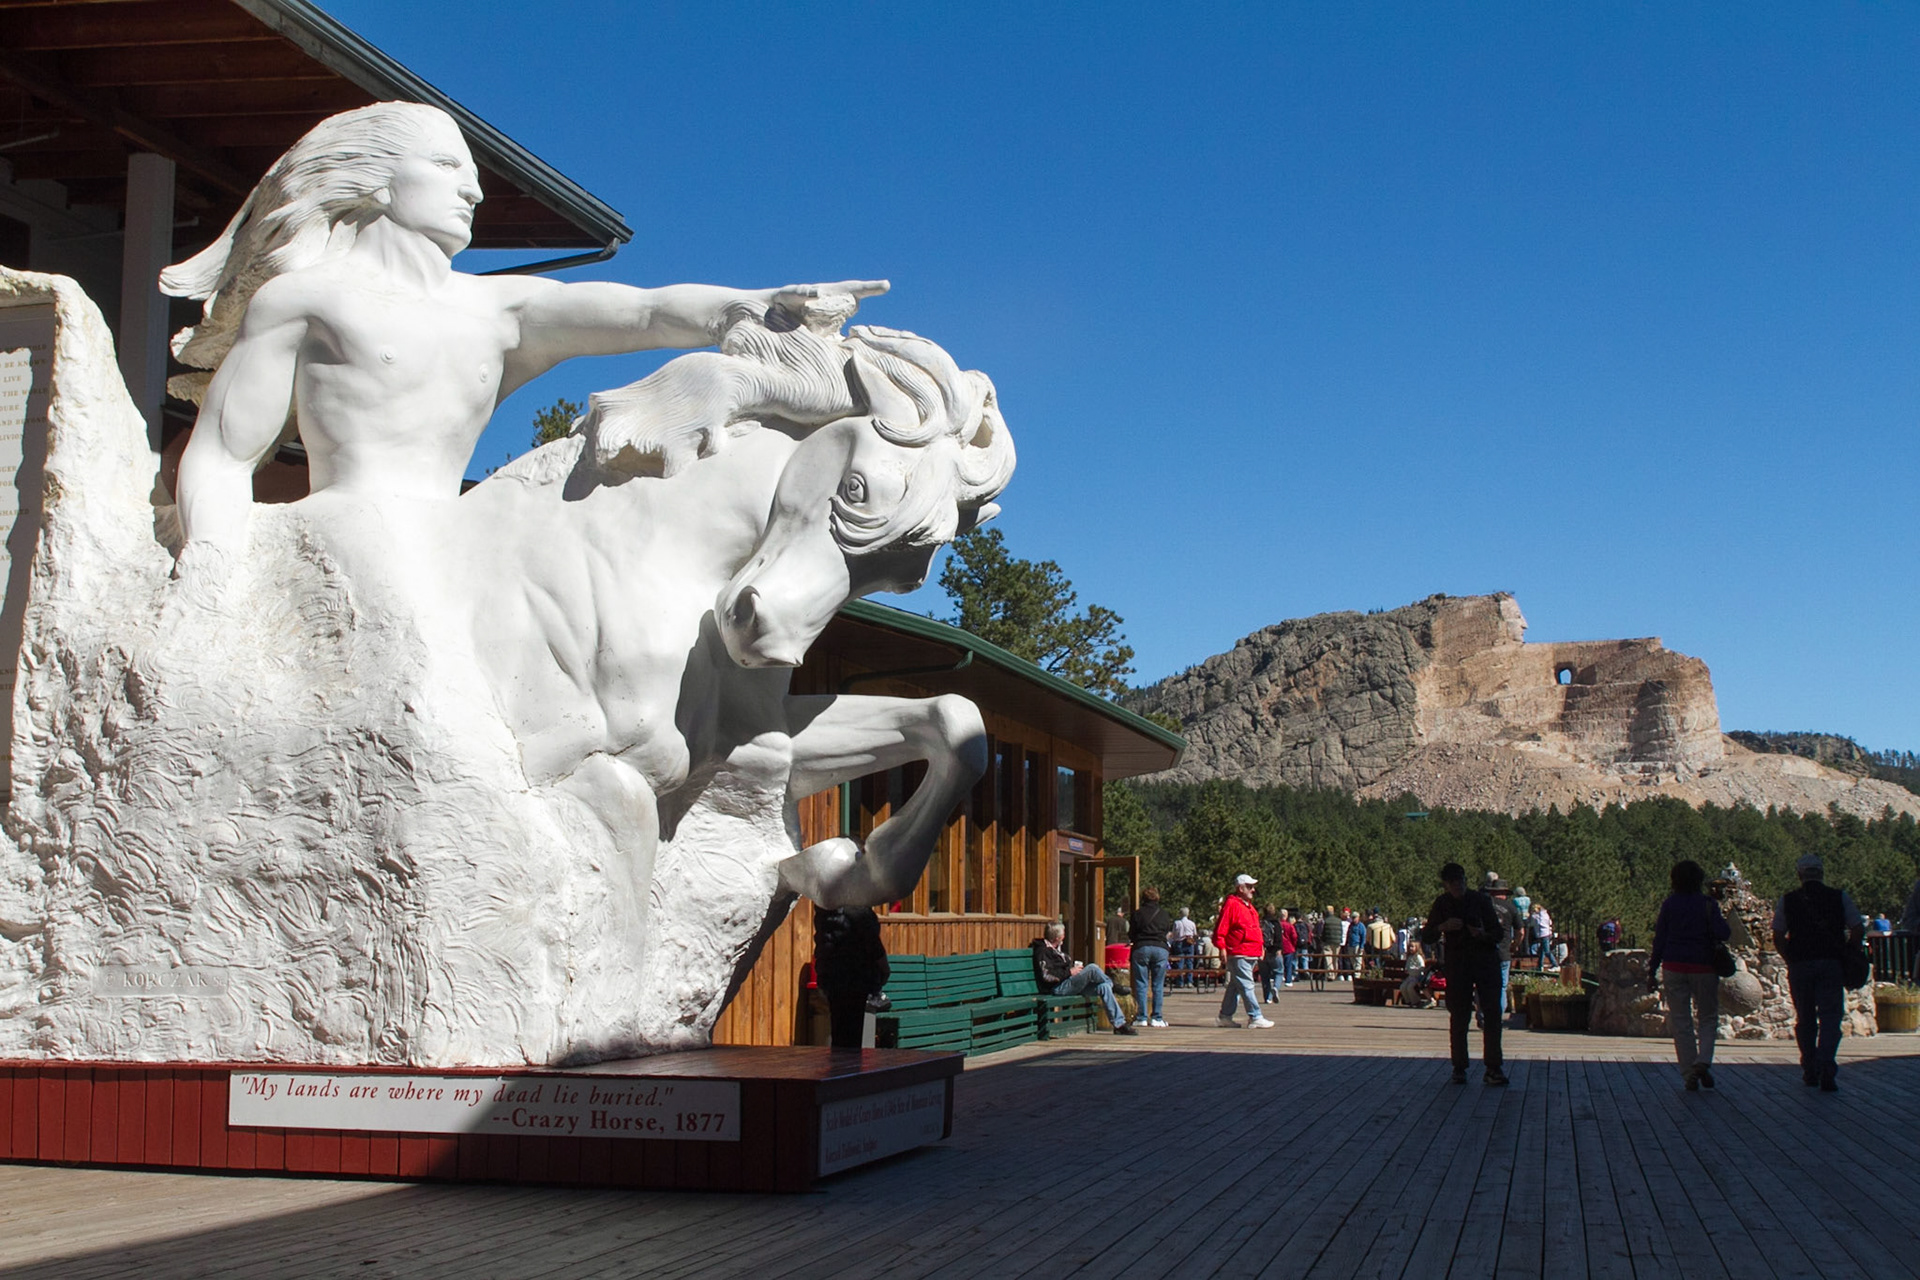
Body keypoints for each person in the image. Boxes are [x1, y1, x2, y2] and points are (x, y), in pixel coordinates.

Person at [161, 101, 884, 568]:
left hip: (453, 546)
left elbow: (644, 311)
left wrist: (752, 302)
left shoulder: (498, 311)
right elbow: (223, 457)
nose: (474, 191)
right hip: (343, 547)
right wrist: (217, 567)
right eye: (447, 167)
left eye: (473, 174)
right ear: (377, 181)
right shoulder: (305, 299)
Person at [1774, 853, 1862, 1091]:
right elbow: (1857, 927)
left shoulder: (1788, 900)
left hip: (1800, 964)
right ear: (1821, 874)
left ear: (1799, 875)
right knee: (1831, 1017)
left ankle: (1809, 1066)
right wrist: (1848, 951)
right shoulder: (1839, 897)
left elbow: (1778, 934)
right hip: (1831, 963)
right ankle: (1826, 1065)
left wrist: (1789, 958)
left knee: (1805, 1018)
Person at [1647, 859, 1732, 1090]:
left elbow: (1660, 939)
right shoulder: (1707, 904)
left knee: (1681, 1020)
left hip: (1673, 965)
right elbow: (1724, 933)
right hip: (1704, 966)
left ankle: (1688, 1071)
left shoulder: (1669, 904)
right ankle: (1703, 1060)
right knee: (1707, 1017)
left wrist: (1652, 968)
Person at [1422, 862, 1508, 1085]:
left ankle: (1493, 1067)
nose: (1458, 885)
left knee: (1492, 1014)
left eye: (1461, 881)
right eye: (1453, 882)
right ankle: (1459, 1067)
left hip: (1485, 961)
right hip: (1458, 964)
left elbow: (1498, 933)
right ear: (1446, 884)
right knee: (1459, 1017)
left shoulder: (1480, 900)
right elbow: (1427, 935)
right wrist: (1443, 927)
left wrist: (1481, 934)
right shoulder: (1442, 904)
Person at [1032, 923, 1135, 1035]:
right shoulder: (1043, 951)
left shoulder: (1056, 948)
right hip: (1058, 987)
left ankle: (1119, 1024)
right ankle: (1114, 986)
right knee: (1092, 968)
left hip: (1069, 983)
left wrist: (1073, 970)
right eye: (1063, 934)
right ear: (1058, 938)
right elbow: (1047, 976)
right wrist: (1070, 972)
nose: (1064, 937)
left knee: (1104, 987)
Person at [813, 906, 889, 1050]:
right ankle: (850, 1068)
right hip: (855, 975)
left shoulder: (825, 908)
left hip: (832, 974)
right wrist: (884, 968)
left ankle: (838, 1068)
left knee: (838, 1029)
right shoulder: (857, 909)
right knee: (852, 1033)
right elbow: (871, 942)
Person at [1213, 874, 1273, 1028]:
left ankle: (1225, 1016)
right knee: (1247, 984)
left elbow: (1256, 929)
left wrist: (1260, 946)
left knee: (1235, 985)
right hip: (1239, 951)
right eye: (1249, 886)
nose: (1253, 890)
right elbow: (1221, 928)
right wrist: (1221, 948)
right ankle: (1255, 1016)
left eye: (1253, 886)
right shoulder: (1232, 905)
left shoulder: (1249, 907)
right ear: (1241, 888)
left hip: (1250, 951)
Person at [1129, 888, 1175, 1028]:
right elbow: (1167, 930)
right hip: (1160, 948)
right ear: (1157, 898)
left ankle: (1141, 1017)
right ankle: (1157, 1017)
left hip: (1141, 947)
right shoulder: (1164, 914)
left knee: (1141, 984)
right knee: (1158, 985)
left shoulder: (1137, 914)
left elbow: (1131, 933)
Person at [1484, 878, 1524, 1025]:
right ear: (1505, 893)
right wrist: (1515, 945)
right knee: (1501, 985)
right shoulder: (1511, 907)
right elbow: (1521, 931)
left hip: (1485, 950)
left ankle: (1483, 1014)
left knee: (1484, 984)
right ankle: (1497, 1017)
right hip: (1503, 951)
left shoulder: (1484, 905)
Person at [1170, 907, 1198, 988]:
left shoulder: (1177, 923)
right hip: (1189, 942)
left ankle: (1180, 982)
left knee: (1180, 962)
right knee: (1190, 962)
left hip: (1179, 942)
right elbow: (1195, 934)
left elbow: (1174, 934)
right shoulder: (1192, 923)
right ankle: (1189, 981)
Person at [1260, 907, 1283, 1003]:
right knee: (1279, 972)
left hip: (1263, 951)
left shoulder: (1260, 923)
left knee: (1265, 976)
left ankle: (1267, 998)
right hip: (1274, 951)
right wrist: (1278, 949)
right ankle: (1276, 987)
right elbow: (1279, 937)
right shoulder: (1276, 923)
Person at [1278, 908, 1300, 987]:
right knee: (1288, 964)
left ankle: (1279, 979)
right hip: (1289, 947)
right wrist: (1293, 945)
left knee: (1279, 964)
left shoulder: (1277, 925)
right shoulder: (1289, 926)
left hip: (1279, 947)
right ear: (1286, 916)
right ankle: (1288, 980)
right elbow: (1294, 936)